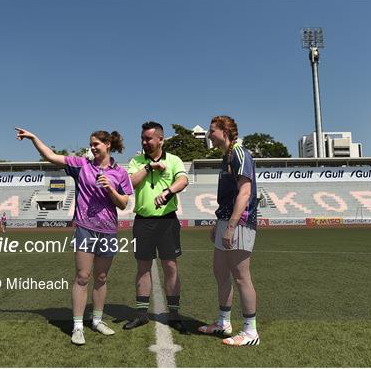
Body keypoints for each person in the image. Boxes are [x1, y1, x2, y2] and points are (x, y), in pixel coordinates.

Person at [15, 127, 133, 345]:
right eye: (91, 144)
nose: (92, 147)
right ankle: (78, 326)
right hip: (85, 228)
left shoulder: (120, 173)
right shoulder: (81, 165)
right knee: (83, 276)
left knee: (101, 278)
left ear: (107, 145)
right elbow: (50, 156)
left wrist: (110, 190)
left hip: (108, 230)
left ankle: (97, 320)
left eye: (96, 143)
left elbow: (124, 204)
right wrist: (33, 137)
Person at [198, 115, 260, 346]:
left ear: (225, 130)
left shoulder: (240, 153)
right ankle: (223, 323)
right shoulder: (226, 156)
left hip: (241, 222)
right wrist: (219, 223)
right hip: (226, 219)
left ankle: (250, 331)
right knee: (220, 273)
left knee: (241, 277)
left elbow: (244, 192)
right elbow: (228, 196)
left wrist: (231, 225)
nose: (209, 134)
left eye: (212, 130)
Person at [123, 121, 189, 332]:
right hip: (143, 221)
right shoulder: (136, 161)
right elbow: (131, 183)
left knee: (170, 266)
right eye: (142, 138)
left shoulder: (174, 160)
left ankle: (174, 313)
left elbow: (183, 180)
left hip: (168, 221)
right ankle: (142, 314)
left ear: (161, 139)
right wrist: (149, 166)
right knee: (143, 267)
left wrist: (168, 192)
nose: (145, 142)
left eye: (148, 138)